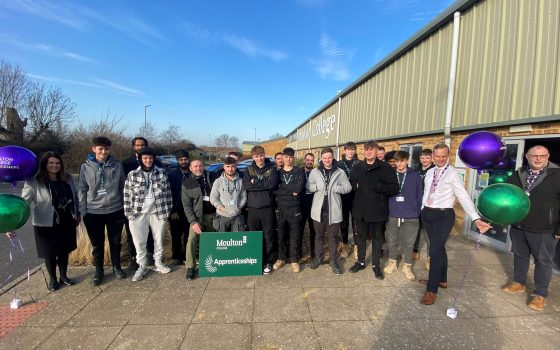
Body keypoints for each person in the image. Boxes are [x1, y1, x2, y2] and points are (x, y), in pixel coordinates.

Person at [419, 143, 491, 305]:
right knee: (438, 248)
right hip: (428, 214)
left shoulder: (453, 174)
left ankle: (432, 289)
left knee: (435, 251)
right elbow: (426, 192)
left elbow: (463, 196)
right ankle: (442, 279)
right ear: (432, 156)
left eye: (444, 156)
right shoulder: (430, 172)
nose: (440, 159)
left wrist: (475, 218)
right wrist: (423, 209)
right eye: (437, 156)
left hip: (444, 215)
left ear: (448, 155)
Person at [502, 145, 560, 311]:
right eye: (534, 155)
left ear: (548, 156)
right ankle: (519, 282)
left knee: (543, 261)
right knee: (520, 255)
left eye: (542, 156)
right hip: (519, 225)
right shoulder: (519, 174)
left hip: (544, 228)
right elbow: (508, 195)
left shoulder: (556, 175)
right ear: (527, 156)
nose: (538, 159)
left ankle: (540, 294)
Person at [22, 152, 80, 291]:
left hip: (66, 219)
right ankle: (53, 279)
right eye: (51, 163)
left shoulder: (68, 178)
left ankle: (64, 276)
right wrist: (13, 222)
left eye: (57, 163)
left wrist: (77, 213)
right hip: (46, 223)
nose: (55, 166)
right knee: (50, 252)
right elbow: (23, 203)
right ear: (45, 165)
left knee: (64, 250)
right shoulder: (34, 181)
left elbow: (75, 195)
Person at [78, 136, 127, 286]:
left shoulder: (117, 166)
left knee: (115, 242)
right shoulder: (85, 167)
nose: (103, 151)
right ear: (94, 149)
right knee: (97, 244)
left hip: (115, 210)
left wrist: (124, 207)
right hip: (93, 212)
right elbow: (82, 189)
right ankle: (99, 271)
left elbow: (123, 187)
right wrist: (83, 210)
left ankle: (116, 267)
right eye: (100, 148)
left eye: (106, 149)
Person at [349, 141, 399, 279]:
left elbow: (394, 188)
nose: (369, 152)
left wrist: (379, 186)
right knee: (361, 237)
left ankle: (376, 265)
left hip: (378, 211)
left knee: (377, 239)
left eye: (372, 150)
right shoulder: (357, 167)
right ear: (364, 151)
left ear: (377, 151)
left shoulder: (385, 168)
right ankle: (360, 261)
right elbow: (352, 184)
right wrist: (357, 186)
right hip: (361, 211)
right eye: (366, 150)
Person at [124, 147, 173, 282]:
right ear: (140, 159)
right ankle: (142, 265)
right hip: (138, 213)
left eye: (150, 158)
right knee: (139, 241)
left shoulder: (162, 173)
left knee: (159, 239)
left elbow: (168, 193)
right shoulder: (132, 175)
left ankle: (158, 263)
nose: (148, 160)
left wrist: (167, 211)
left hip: (158, 211)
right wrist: (128, 213)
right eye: (145, 158)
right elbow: (127, 195)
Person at [306, 147, 352, 275]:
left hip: (334, 211)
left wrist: (337, 188)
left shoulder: (340, 172)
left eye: (329, 157)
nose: (327, 160)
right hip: (318, 211)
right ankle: (318, 258)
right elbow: (308, 186)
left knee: (332, 238)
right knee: (318, 236)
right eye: (325, 158)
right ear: (321, 158)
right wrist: (317, 187)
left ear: (333, 157)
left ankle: (333, 260)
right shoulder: (315, 172)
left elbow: (348, 187)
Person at [383, 151, 423, 281]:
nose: (399, 164)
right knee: (392, 240)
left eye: (402, 161)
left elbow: (420, 195)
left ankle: (407, 266)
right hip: (393, 213)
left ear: (407, 161)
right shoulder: (390, 174)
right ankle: (392, 262)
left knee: (409, 243)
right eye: (397, 161)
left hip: (411, 215)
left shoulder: (415, 175)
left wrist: (416, 212)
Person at [121, 137, 158, 270]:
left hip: (153, 207)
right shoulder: (126, 163)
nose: (140, 147)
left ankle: (152, 257)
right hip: (135, 207)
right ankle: (135, 260)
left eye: (142, 145)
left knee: (152, 234)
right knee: (134, 235)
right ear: (133, 147)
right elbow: (125, 187)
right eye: (137, 145)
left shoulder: (156, 162)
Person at [242, 145, 279, 275]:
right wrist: (259, 184)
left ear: (265, 155)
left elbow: (271, 185)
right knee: (254, 235)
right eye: (257, 156)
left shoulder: (272, 169)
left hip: (267, 208)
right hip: (252, 208)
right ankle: (255, 260)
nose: (259, 158)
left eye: (261, 155)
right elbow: (246, 186)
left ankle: (268, 261)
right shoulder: (248, 169)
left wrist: (255, 182)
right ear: (253, 157)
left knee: (269, 236)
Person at [273, 147, 305, 273]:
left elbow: (299, 188)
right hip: (280, 208)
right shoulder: (277, 172)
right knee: (281, 235)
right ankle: (281, 258)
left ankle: (294, 260)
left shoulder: (299, 171)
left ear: (293, 158)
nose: (288, 159)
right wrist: (290, 190)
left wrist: (284, 189)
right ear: (283, 157)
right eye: (286, 157)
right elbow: (274, 189)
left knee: (295, 235)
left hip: (294, 208)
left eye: (291, 157)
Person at [182, 159, 215, 280]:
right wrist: (193, 222)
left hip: (214, 215)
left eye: (200, 165)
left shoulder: (212, 176)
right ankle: (190, 267)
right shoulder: (188, 183)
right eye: (195, 166)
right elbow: (187, 205)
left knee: (214, 241)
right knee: (192, 239)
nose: (198, 168)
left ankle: (214, 262)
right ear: (190, 168)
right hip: (197, 218)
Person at [210, 156, 247, 232]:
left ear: (236, 166)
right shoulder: (218, 181)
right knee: (222, 241)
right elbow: (213, 198)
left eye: (233, 166)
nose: (230, 169)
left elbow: (244, 196)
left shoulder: (240, 181)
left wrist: (240, 206)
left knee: (237, 240)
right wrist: (222, 208)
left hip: (237, 216)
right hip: (222, 216)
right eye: (228, 166)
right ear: (224, 167)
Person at [167, 149, 191, 265]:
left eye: (185, 159)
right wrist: (172, 211)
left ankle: (187, 255)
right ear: (177, 161)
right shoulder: (172, 175)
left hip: (190, 211)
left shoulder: (192, 173)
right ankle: (176, 256)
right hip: (176, 210)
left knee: (188, 234)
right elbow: (168, 194)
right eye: (181, 160)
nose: (184, 161)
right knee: (176, 235)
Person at [337, 142, 359, 259]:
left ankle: (356, 247)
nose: (350, 151)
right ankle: (345, 245)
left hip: (356, 197)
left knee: (356, 223)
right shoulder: (339, 164)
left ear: (355, 151)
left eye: (352, 149)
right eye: (348, 149)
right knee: (344, 223)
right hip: (343, 197)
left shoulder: (360, 163)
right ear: (344, 151)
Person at [414, 149, 435, 267]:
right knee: (415, 230)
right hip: (417, 205)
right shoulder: (416, 170)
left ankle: (430, 257)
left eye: (427, 158)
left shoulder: (434, 171)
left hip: (428, 206)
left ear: (431, 158)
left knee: (428, 233)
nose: (424, 160)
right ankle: (415, 250)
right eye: (422, 158)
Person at [300, 152, 316, 259]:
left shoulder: (316, 172)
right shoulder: (298, 172)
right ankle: (298, 253)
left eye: (311, 160)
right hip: (300, 205)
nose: (309, 162)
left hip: (313, 206)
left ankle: (314, 254)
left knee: (313, 231)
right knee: (299, 230)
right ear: (304, 160)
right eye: (308, 160)